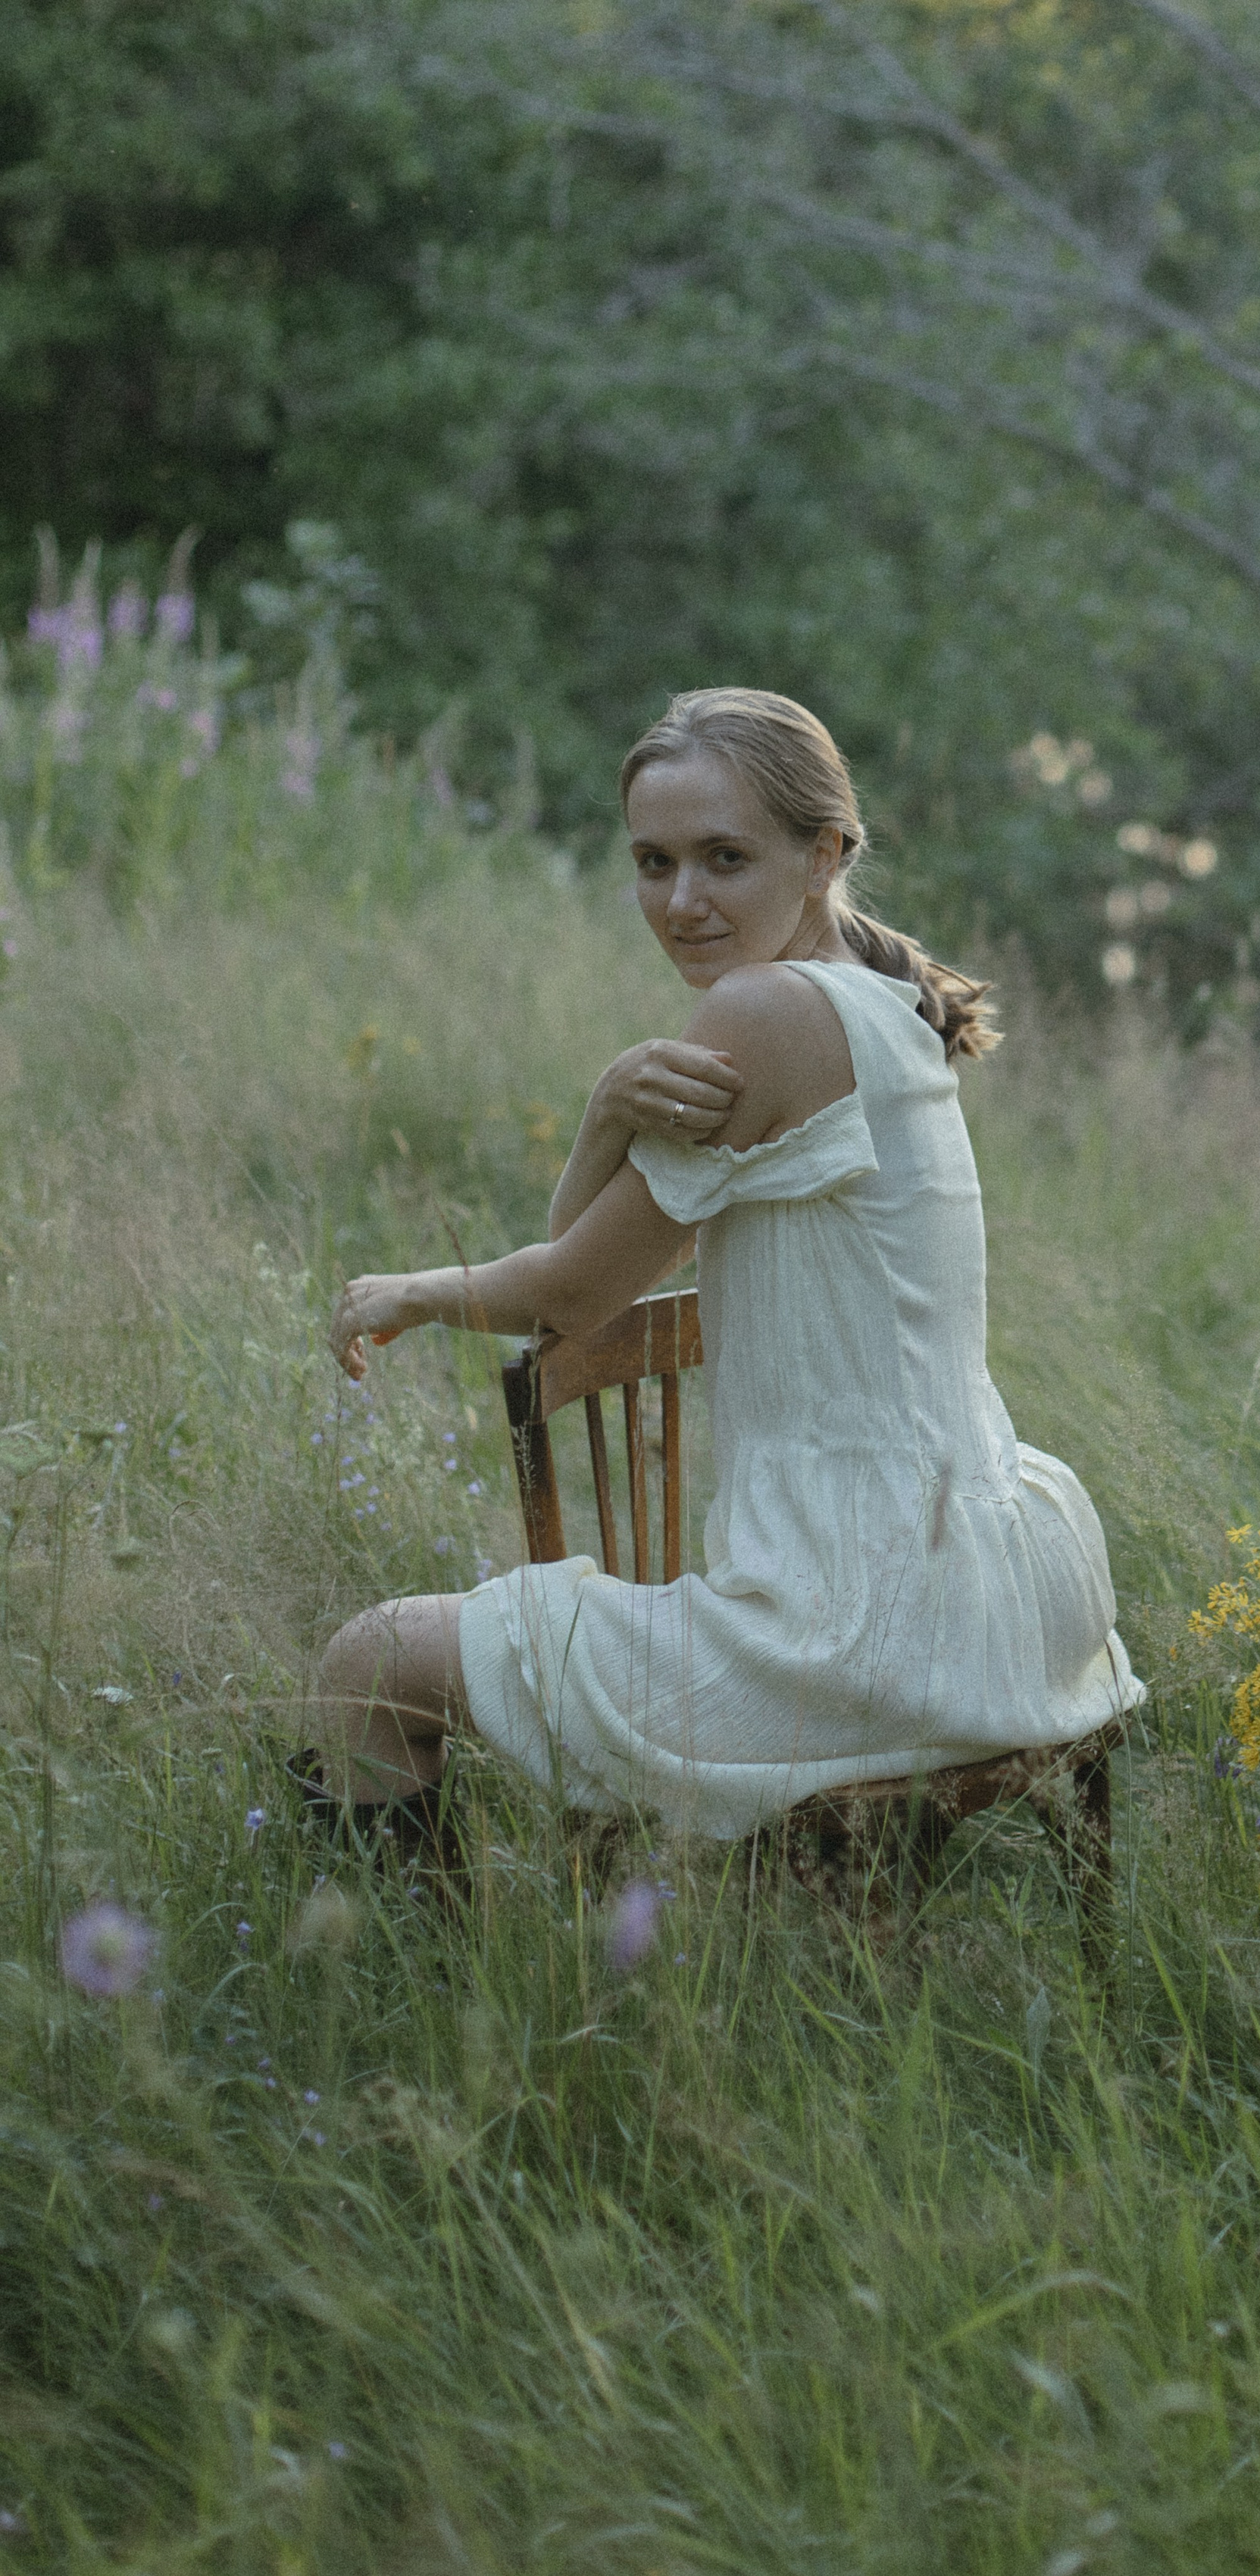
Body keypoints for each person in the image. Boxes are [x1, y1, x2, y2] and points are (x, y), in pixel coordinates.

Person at [311, 686, 1143, 1844]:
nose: (683, 901)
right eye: (654, 862)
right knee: (413, 1649)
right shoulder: (882, 1002)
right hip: (1007, 1582)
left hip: (869, 1620)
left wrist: (412, 1291)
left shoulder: (765, 1010)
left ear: (824, 854)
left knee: (369, 1659)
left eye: (724, 859)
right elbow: (581, 1282)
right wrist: (607, 1115)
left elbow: (572, 1298)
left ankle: (379, 1979)